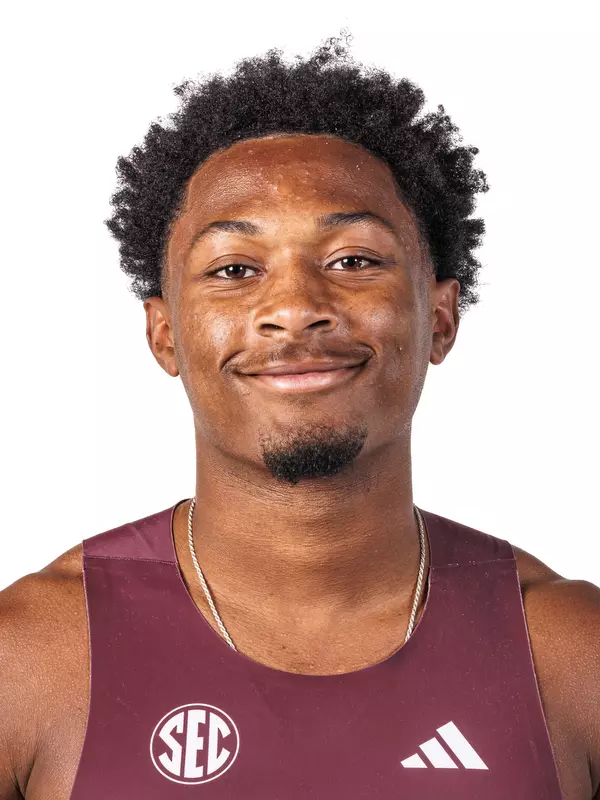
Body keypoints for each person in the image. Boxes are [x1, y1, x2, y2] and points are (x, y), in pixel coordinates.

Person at [0, 33, 598, 800]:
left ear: (441, 316)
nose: (293, 310)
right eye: (234, 270)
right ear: (164, 333)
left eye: (354, 260)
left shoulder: (572, 652)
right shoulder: (29, 659)